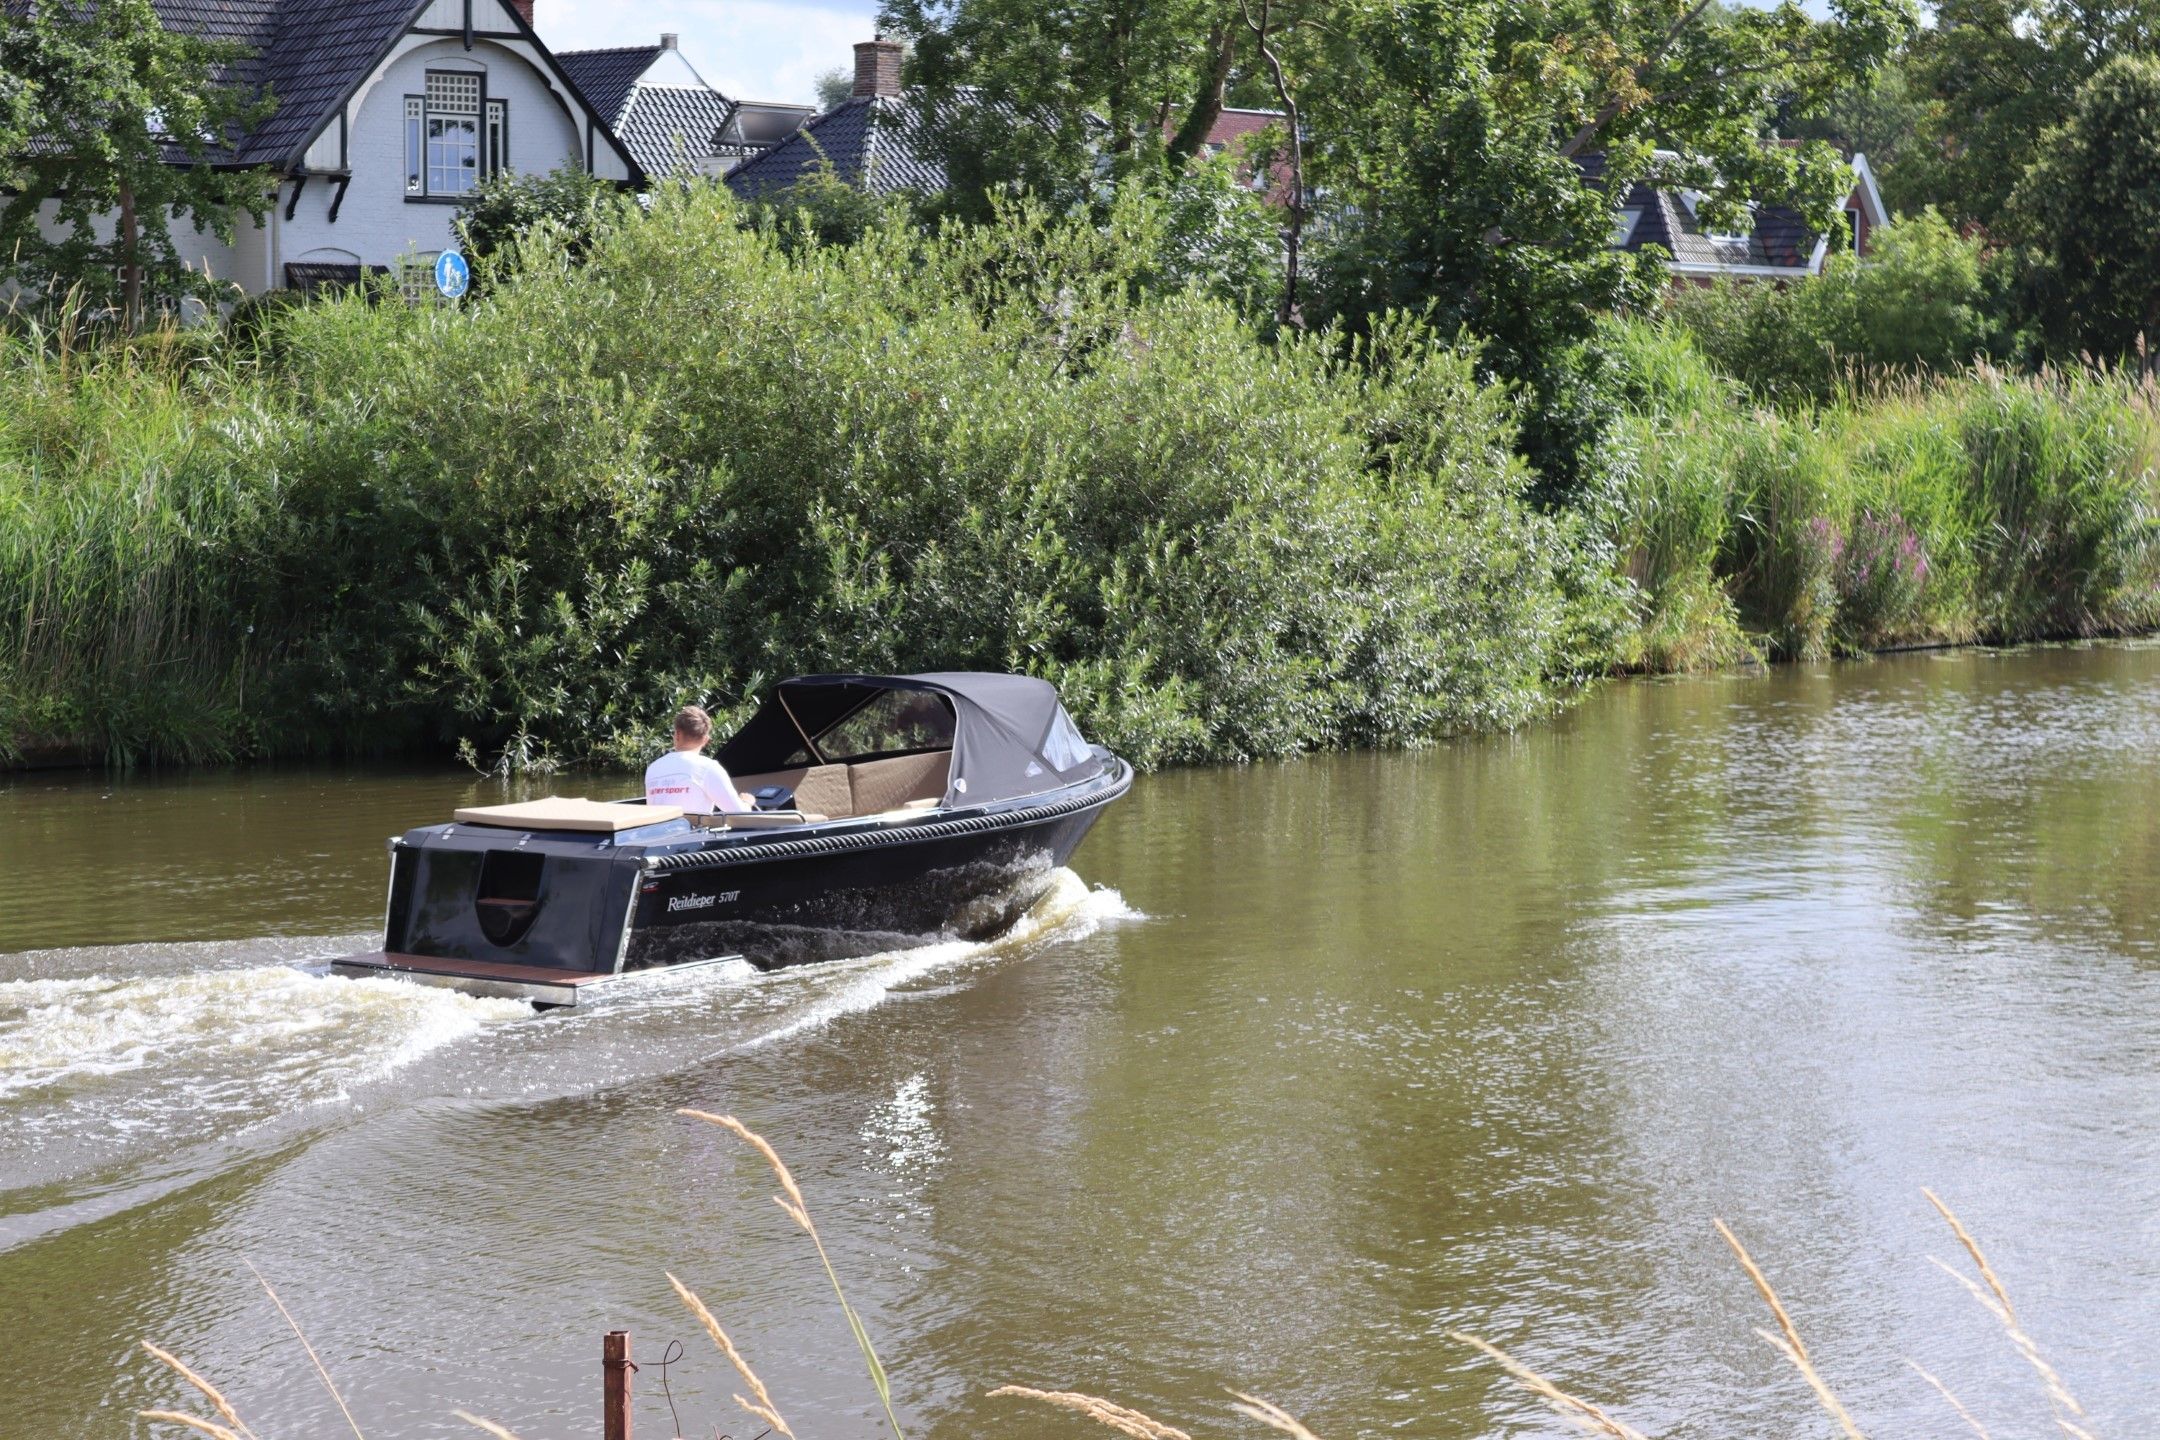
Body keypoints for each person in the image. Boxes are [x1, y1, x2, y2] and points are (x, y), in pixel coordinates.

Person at [645, 705, 752, 815]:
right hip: (692, 831)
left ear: (677, 734)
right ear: (705, 740)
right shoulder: (708, 768)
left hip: (659, 831)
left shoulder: (653, 767)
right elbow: (739, 813)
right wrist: (747, 802)